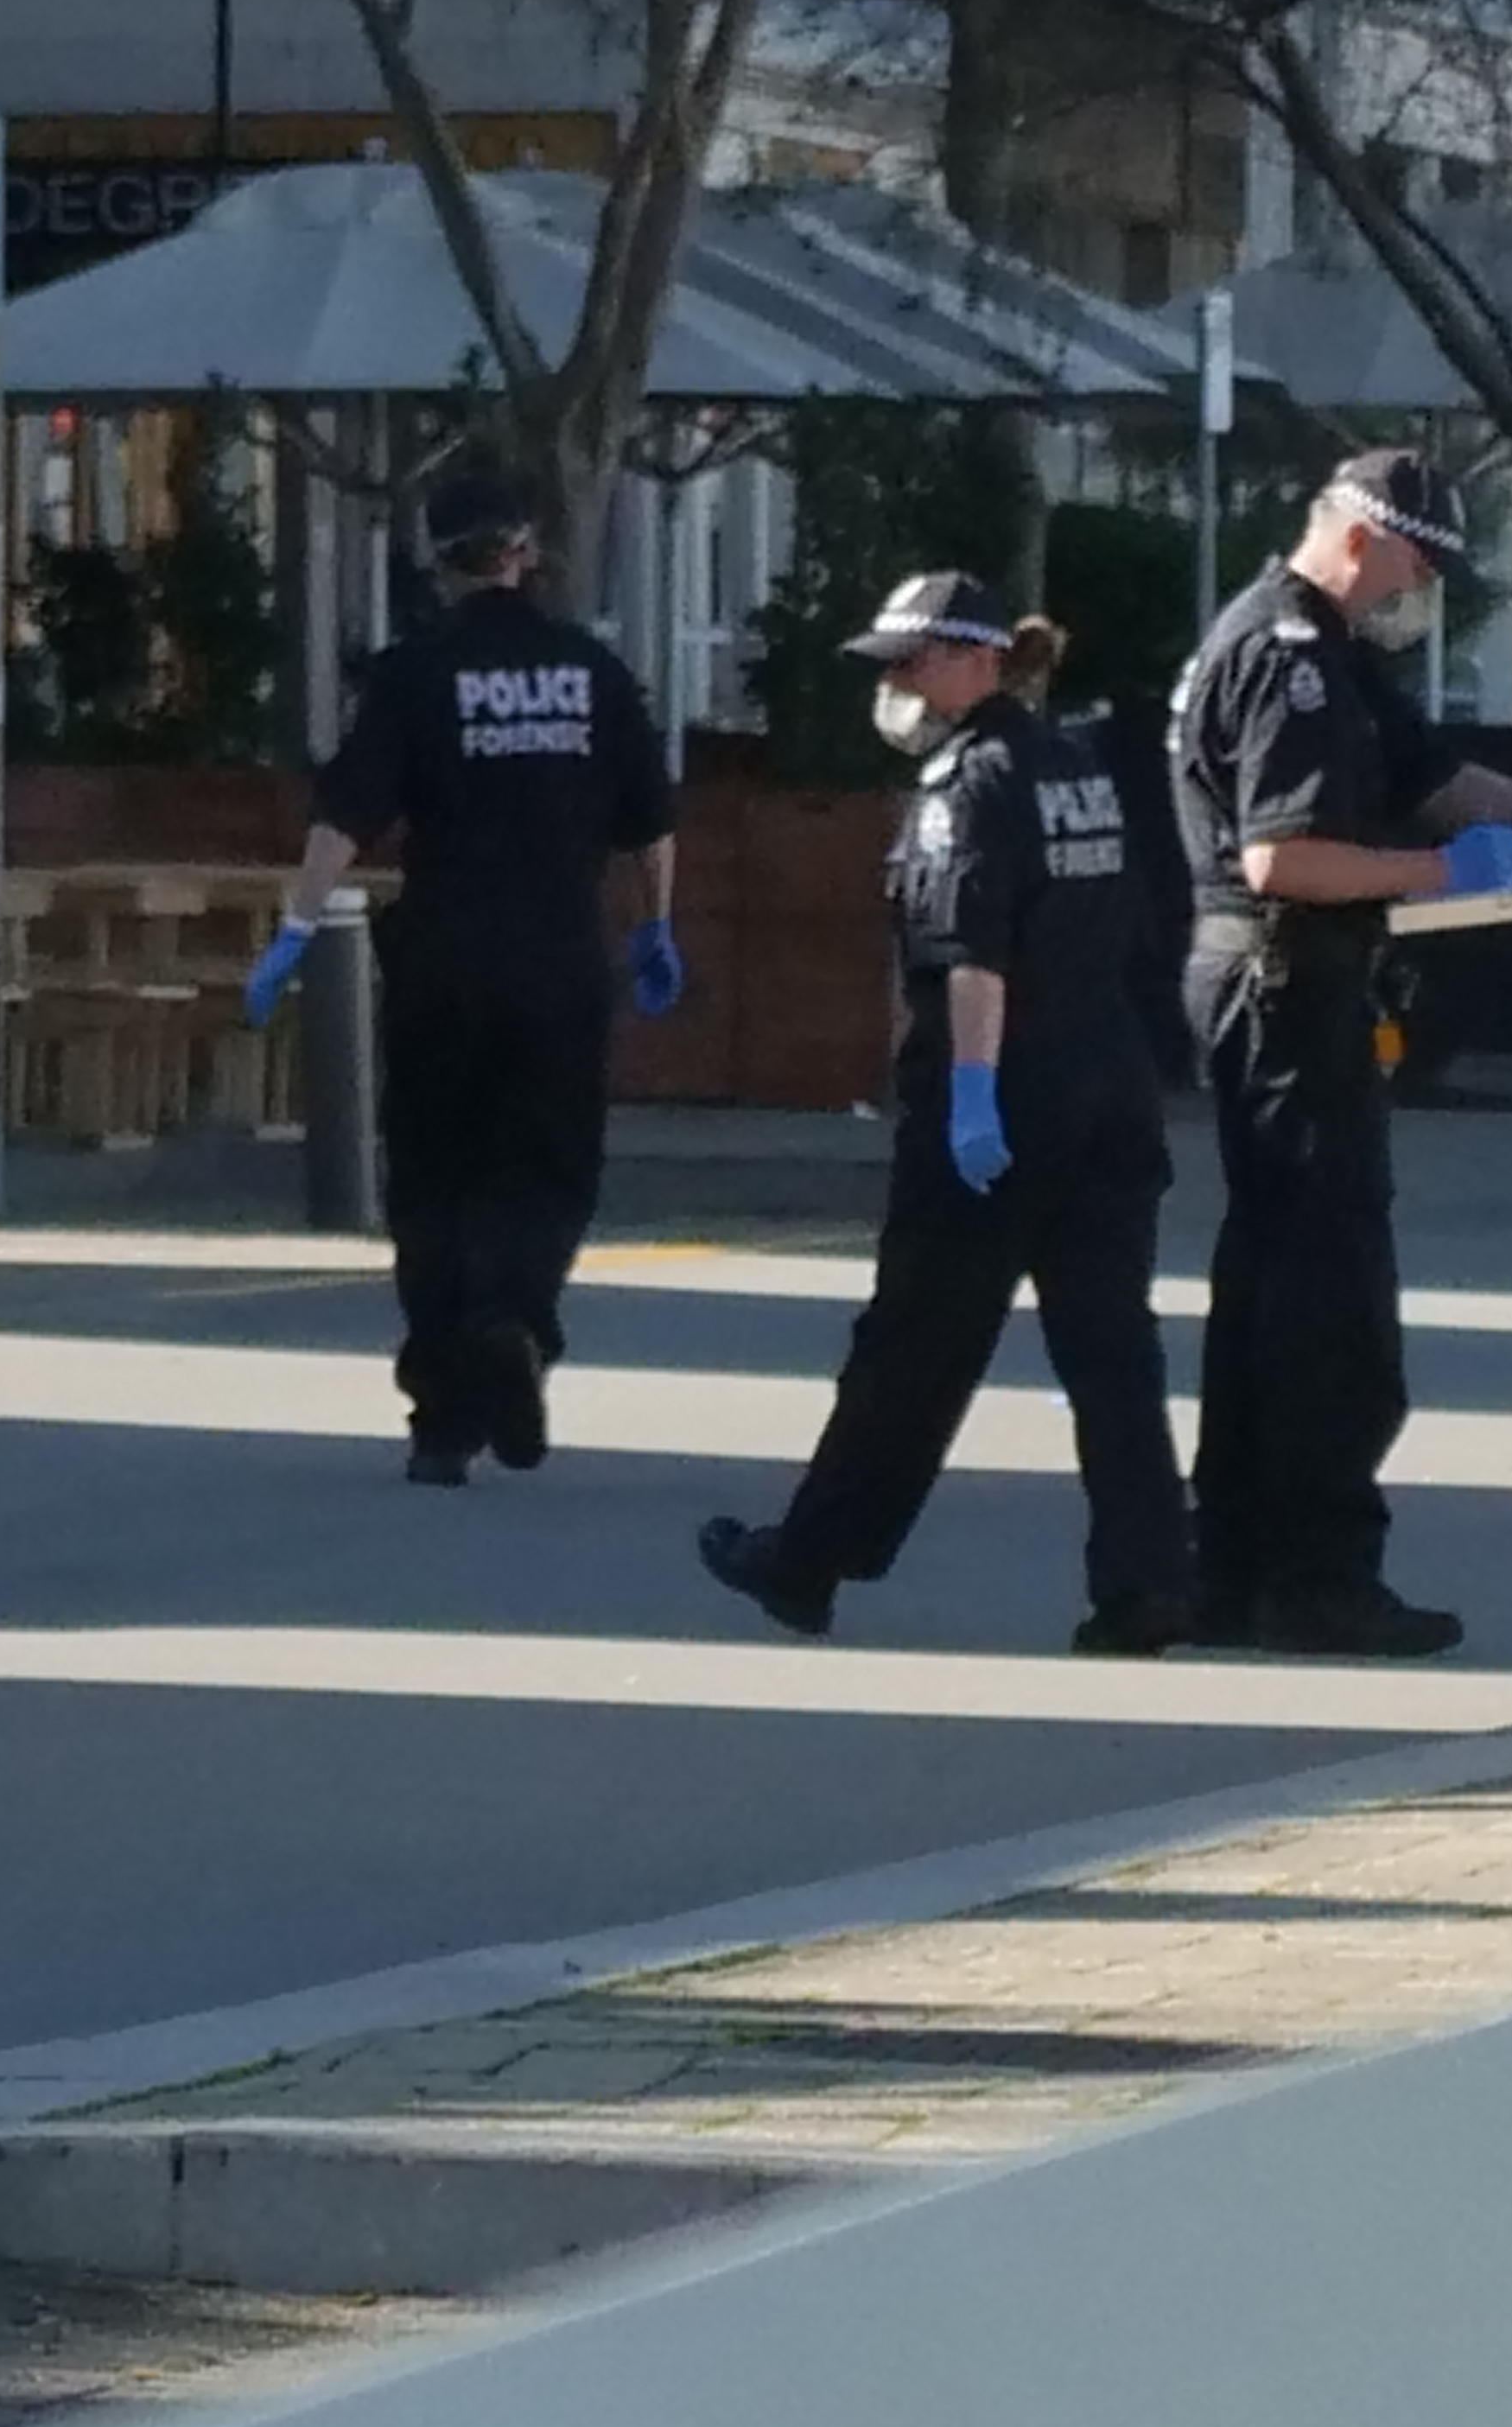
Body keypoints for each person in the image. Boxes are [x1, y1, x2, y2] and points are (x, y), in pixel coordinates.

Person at [1169, 449, 1512, 1659]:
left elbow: (1426, 776)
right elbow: (1285, 856)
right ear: (1370, 537)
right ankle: (1321, 1574)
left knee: (1269, 1288)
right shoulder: (1293, 661)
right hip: (1283, 973)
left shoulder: (1319, 648)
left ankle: (1234, 1566)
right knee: (1332, 1304)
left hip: (1274, 979)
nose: (1421, 583)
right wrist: (1438, 876)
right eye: (1421, 559)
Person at [697, 574, 1194, 1654]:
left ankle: (807, 1560)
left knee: (909, 1352)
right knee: (1112, 1355)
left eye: (909, 664)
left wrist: (970, 1097)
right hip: (1107, 1096)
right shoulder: (1082, 768)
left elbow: (972, 958)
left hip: (1002, 1106)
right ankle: (1146, 1582)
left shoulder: (962, 787)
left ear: (975, 662)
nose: (893, 686)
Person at [245, 464, 678, 1487]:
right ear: (523, 551)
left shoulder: (411, 673)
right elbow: (650, 827)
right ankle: (513, 1319)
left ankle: (442, 1418)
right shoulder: (591, 672)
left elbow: (342, 819)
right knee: (546, 1166)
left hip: (441, 958)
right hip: (558, 962)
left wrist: (294, 930)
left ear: (436, 566)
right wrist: (655, 931)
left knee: (435, 1176)